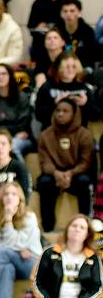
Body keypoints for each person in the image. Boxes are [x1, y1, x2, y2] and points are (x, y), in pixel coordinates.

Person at [36, 98, 95, 232]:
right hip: (53, 175)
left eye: (65, 111)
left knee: (85, 182)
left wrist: (70, 173)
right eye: (58, 110)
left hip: (76, 174)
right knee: (44, 182)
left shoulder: (84, 134)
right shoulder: (45, 135)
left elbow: (86, 162)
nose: (60, 114)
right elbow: (44, 162)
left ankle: (85, 226)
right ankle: (48, 229)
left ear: (74, 114)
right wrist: (57, 174)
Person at [35, 53, 100, 130]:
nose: (70, 70)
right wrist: (55, 105)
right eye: (66, 67)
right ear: (58, 67)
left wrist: (85, 104)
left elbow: (96, 116)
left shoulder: (83, 87)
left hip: (78, 135)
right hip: (53, 133)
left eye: (73, 66)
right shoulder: (47, 87)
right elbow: (39, 115)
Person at [27, 0, 67, 64]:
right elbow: (30, 26)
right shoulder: (38, 3)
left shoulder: (66, 2)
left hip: (61, 45)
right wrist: (38, 28)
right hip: (41, 44)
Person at [55, 0, 99, 69]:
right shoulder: (56, 31)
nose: (68, 14)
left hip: (82, 69)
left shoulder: (87, 31)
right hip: (61, 70)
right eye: (65, 11)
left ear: (79, 13)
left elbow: (91, 57)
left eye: (72, 11)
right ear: (61, 14)